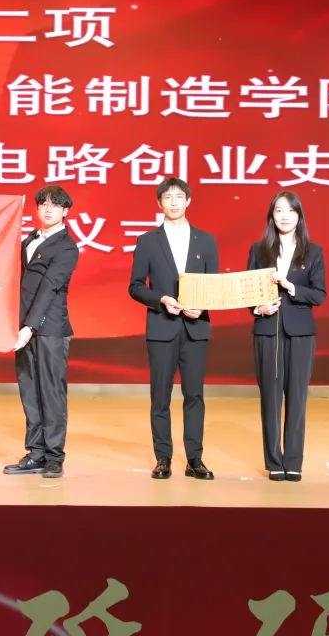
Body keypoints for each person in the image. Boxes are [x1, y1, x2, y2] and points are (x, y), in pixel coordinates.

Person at [128, 178, 219, 480]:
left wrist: (202, 306)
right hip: (161, 327)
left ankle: (195, 459)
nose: (174, 202)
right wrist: (161, 300)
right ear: (159, 203)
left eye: (179, 196)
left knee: (194, 395)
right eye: (167, 197)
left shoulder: (206, 240)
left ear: (188, 200)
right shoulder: (147, 241)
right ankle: (163, 458)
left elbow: (214, 285)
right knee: (160, 397)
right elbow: (136, 286)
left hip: (196, 328)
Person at [247, 191, 327, 482]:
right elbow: (247, 290)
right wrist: (258, 308)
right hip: (267, 332)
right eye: (279, 210)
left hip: (301, 334)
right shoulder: (259, 250)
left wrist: (290, 286)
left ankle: (293, 461)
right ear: (271, 215)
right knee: (270, 398)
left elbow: (319, 294)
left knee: (297, 398)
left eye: (290, 210)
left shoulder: (313, 251)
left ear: (299, 216)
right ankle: (274, 462)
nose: (284, 216)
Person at [3, 185, 80, 480]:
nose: (48, 209)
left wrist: (30, 327)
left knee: (51, 393)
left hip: (49, 329)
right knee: (29, 391)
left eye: (55, 205)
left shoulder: (67, 247)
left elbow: (49, 289)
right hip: (23, 327)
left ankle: (54, 456)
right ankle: (35, 453)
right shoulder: (29, 240)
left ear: (65, 211)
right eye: (43, 204)